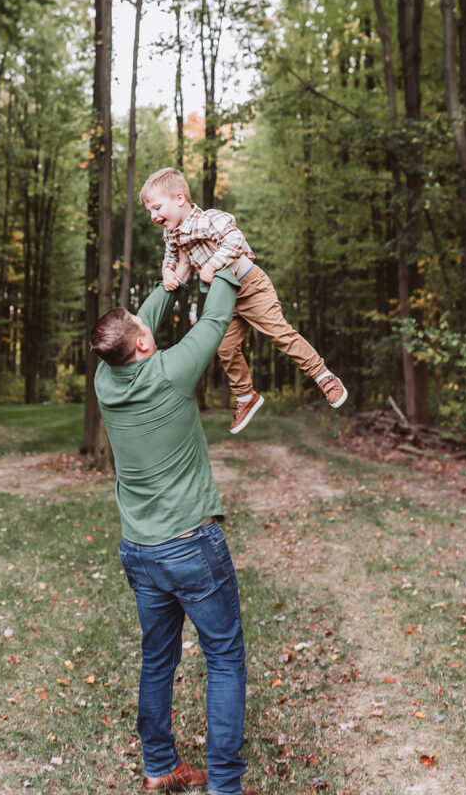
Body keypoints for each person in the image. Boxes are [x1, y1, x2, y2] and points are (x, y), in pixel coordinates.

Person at [91, 252, 258, 795]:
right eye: (140, 325)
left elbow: (136, 327)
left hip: (140, 550)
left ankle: (160, 766)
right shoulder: (171, 372)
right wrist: (226, 262)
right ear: (142, 344)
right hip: (190, 545)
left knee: (158, 658)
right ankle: (225, 785)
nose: (144, 322)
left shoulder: (106, 379)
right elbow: (216, 318)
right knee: (225, 660)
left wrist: (170, 285)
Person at [139, 167, 348, 434]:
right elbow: (170, 258)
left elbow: (235, 240)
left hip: (251, 288)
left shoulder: (208, 219)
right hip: (225, 298)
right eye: (149, 211)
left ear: (179, 199)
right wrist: (168, 272)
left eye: (157, 208)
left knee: (279, 334)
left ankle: (323, 375)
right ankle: (246, 396)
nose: (154, 216)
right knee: (225, 348)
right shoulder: (171, 234)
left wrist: (211, 265)